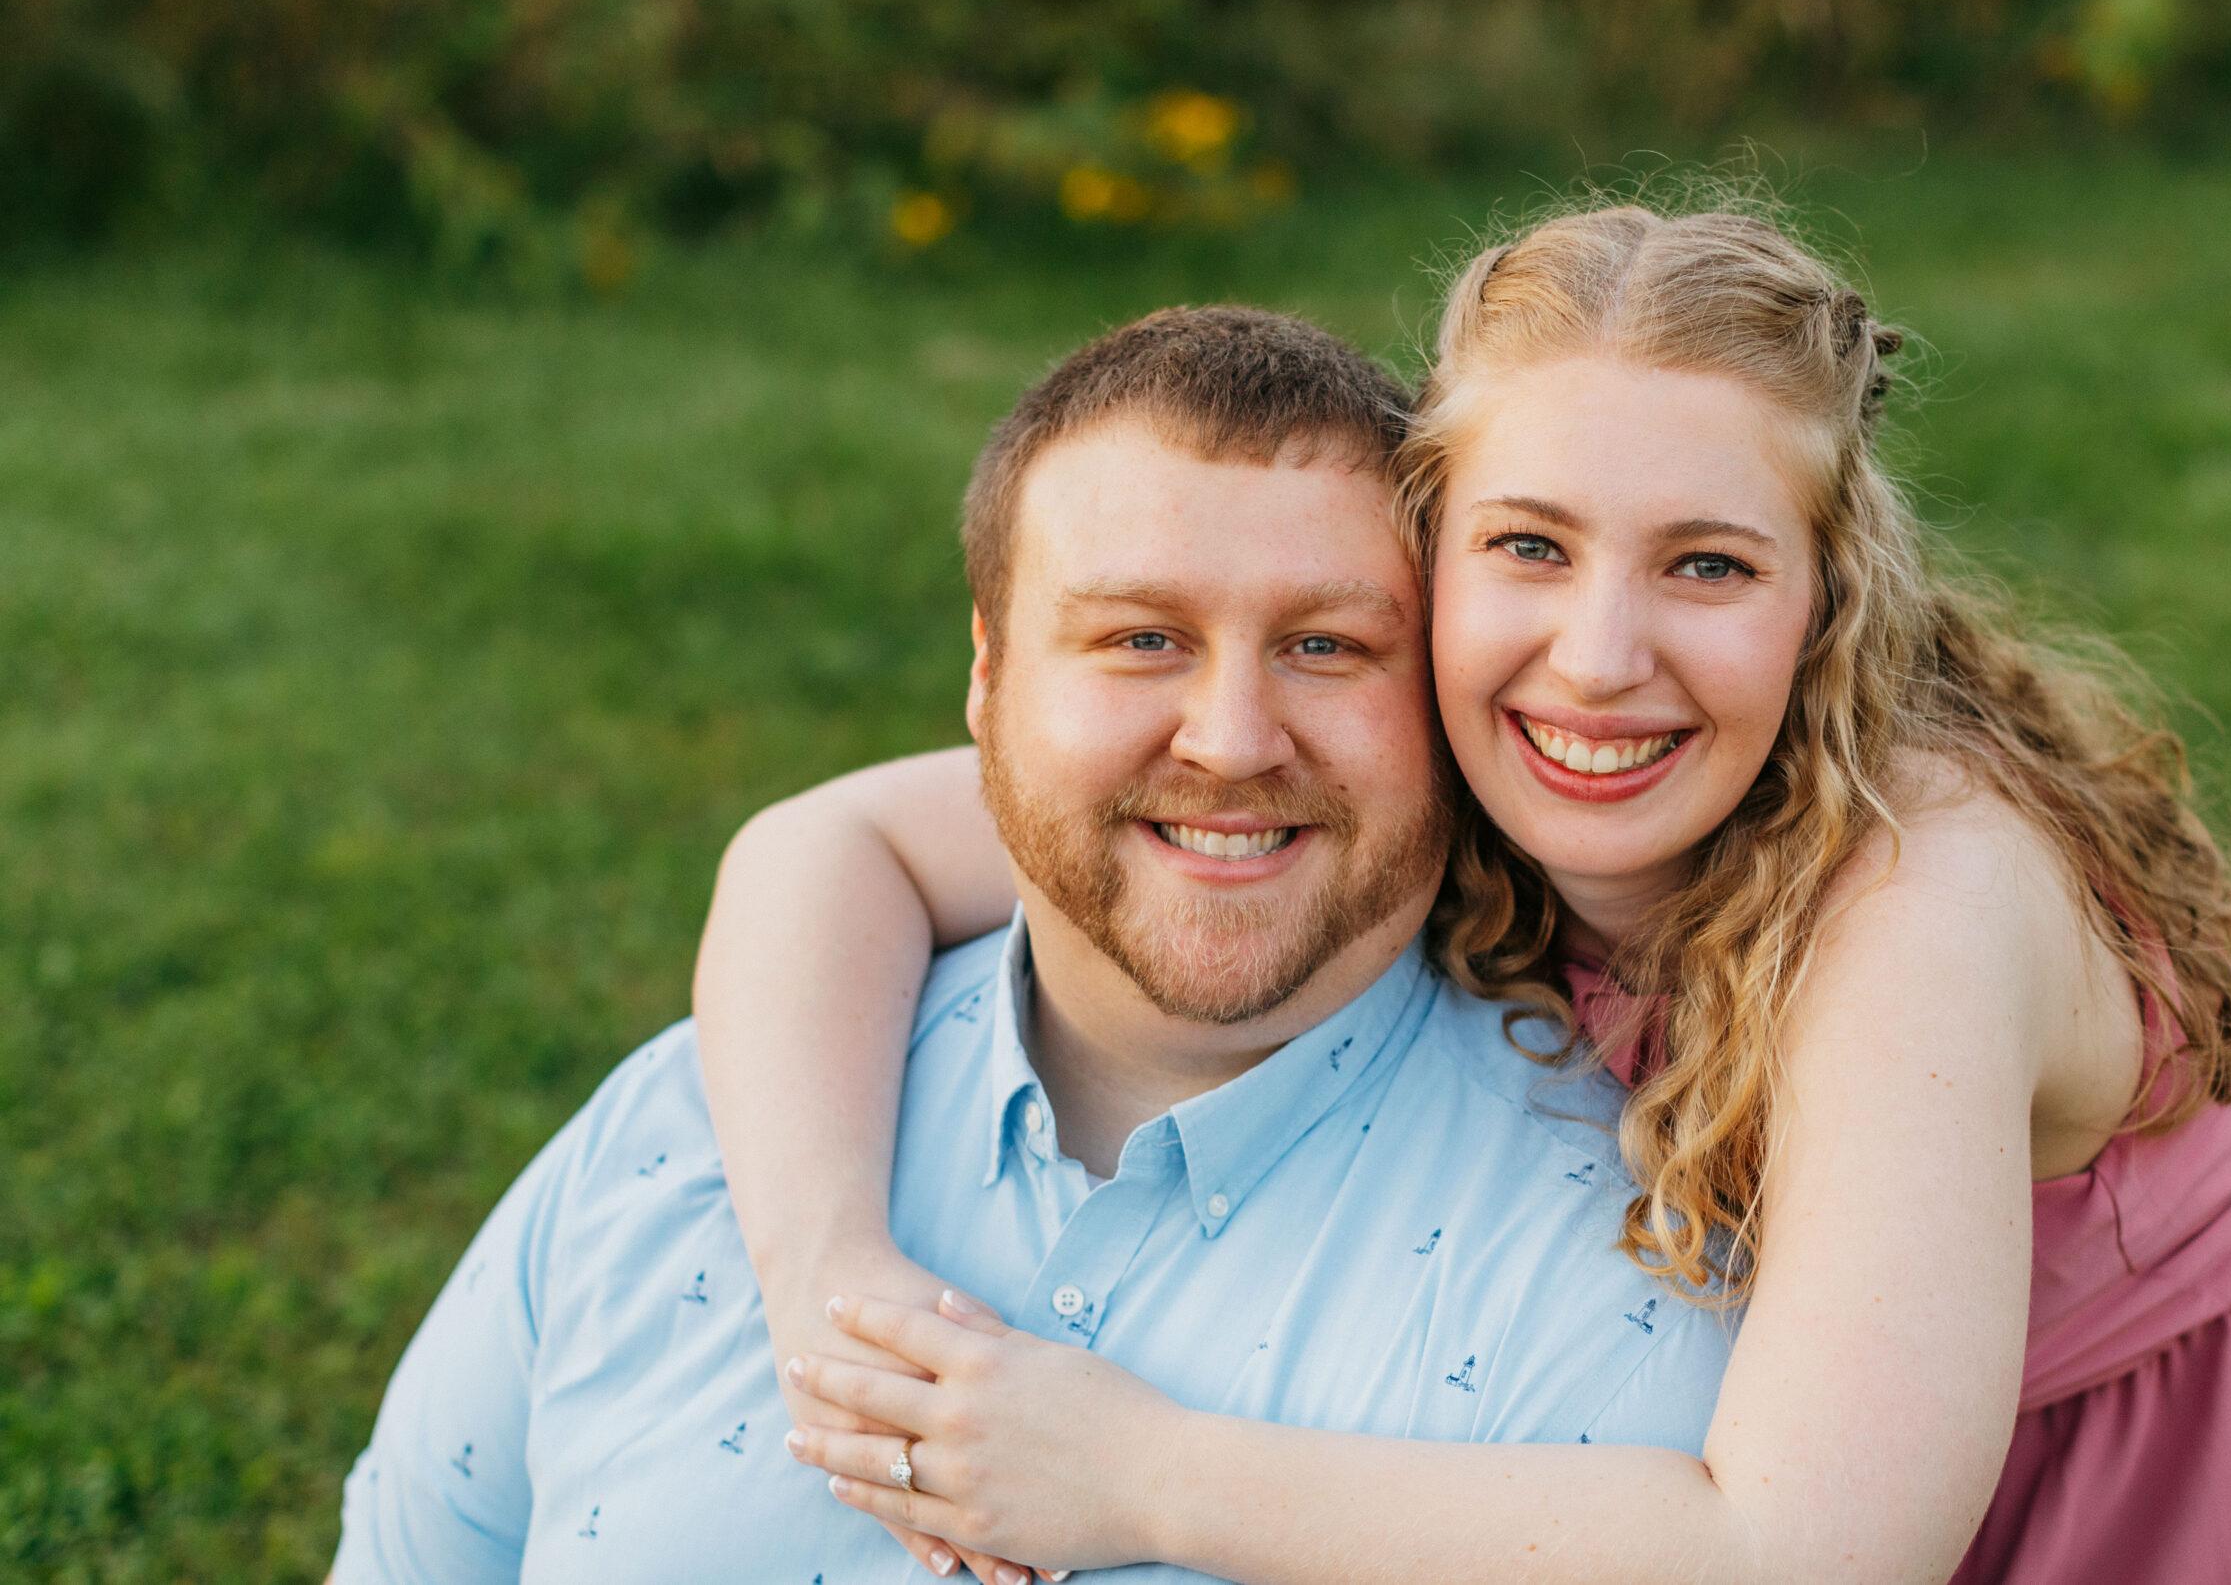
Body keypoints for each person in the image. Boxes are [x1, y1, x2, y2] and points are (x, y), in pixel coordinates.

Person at [704, 203, 2231, 1583]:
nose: (1598, 659)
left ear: (1828, 600)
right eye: (1528, 547)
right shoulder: (1425, 749)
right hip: (1865, 1422)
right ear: (1426, 560)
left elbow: (1802, 1554)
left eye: (1705, 566)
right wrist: (829, 1273)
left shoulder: (1919, 900)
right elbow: (823, 850)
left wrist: (1134, 1473)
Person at [327, 306, 1746, 1584]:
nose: (1234, 741)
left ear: (1439, 698)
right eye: (1140, 639)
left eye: (1326, 647)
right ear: (987, 678)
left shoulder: (1606, 1303)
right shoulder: (685, 1136)